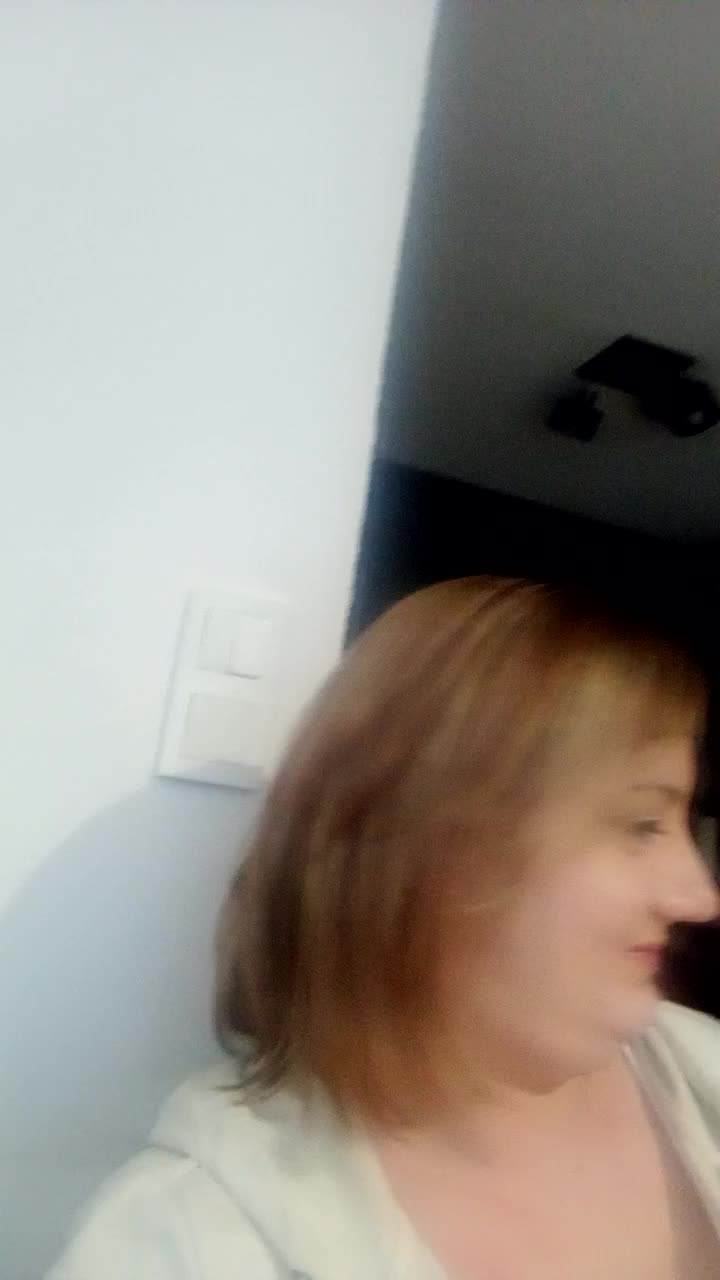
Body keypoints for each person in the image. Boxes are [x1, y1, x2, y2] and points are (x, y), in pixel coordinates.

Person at [49, 576, 720, 1279]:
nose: (699, 897)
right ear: (438, 847)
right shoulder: (184, 1242)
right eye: (641, 824)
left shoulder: (699, 1075)